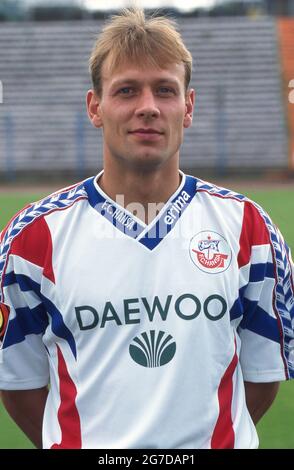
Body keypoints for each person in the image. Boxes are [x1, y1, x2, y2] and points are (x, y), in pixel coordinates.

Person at [0, 8, 293, 450]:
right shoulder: (31, 238)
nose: (148, 107)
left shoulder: (249, 229)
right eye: (126, 91)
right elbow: (18, 384)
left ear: (188, 106)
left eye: (165, 90)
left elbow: (262, 377)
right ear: (95, 107)